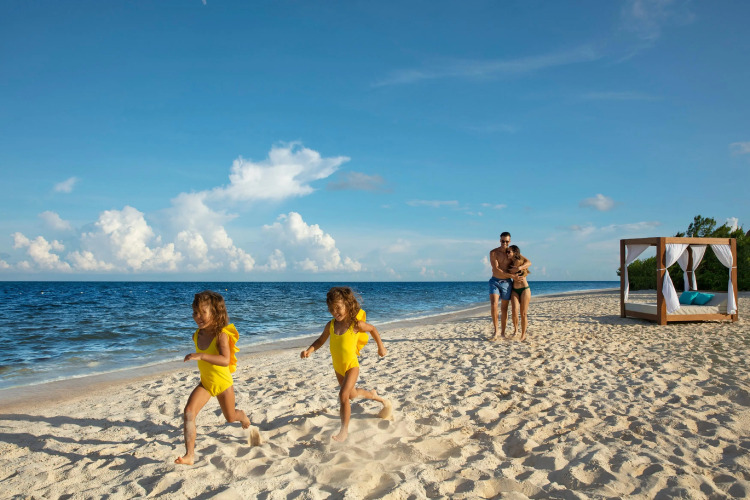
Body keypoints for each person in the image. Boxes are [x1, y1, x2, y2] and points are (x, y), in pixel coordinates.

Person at [176, 290, 260, 465]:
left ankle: (242, 416)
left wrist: (201, 355)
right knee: (189, 412)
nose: (197, 316)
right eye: (195, 312)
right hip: (206, 384)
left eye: (202, 312)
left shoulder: (221, 334)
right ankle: (189, 455)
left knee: (230, 417)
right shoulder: (197, 335)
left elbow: (225, 360)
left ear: (215, 313)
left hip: (223, 384)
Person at [300, 286, 391, 442]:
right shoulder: (331, 325)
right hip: (338, 368)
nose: (335, 312)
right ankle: (373, 395)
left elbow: (372, 329)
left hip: (351, 366)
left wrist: (380, 347)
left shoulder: (355, 324)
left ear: (347, 305)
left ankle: (344, 430)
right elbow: (320, 340)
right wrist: (309, 350)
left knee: (343, 395)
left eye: (338, 308)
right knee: (352, 395)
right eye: (331, 309)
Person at [488, 232, 530, 340]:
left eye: (506, 241)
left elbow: (528, 262)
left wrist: (519, 268)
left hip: (507, 283)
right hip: (495, 281)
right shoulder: (493, 252)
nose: (504, 243)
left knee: (505, 308)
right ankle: (496, 331)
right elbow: (496, 269)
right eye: (503, 241)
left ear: (509, 241)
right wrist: (512, 276)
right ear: (500, 240)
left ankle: (503, 332)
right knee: (494, 304)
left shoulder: (511, 253)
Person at [507, 245, 532, 341]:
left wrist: (519, 268)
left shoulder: (519, 260)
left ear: (514, 252)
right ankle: (516, 330)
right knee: (514, 311)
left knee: (523, 313)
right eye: (507, 252)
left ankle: (523, 334)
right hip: (514, 290)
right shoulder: (509, 262)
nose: (507, 253)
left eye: (509, 252)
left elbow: (529, 262)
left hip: (524, 289)